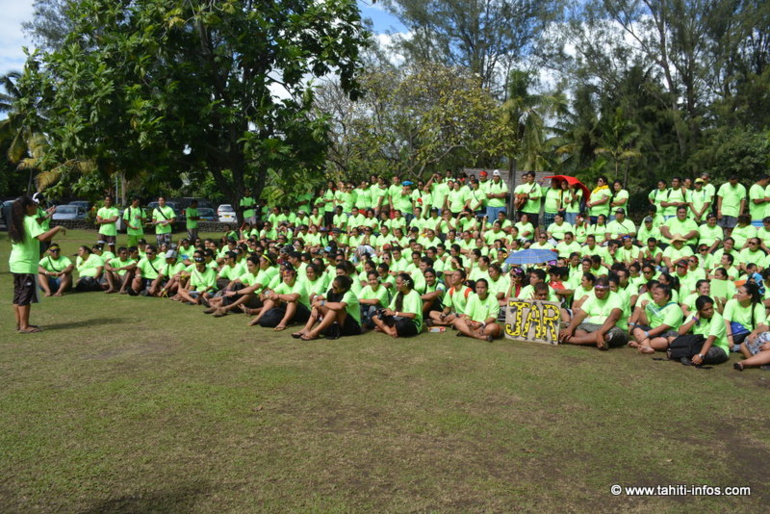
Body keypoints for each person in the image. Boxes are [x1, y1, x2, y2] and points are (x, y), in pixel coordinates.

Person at [8, 195, 67, 333]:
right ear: (28, 207)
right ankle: (24, 326)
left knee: (18, 294)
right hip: (26, 264)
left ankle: (20, 323)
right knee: (25, 296)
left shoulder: (17, 221)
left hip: (15, 263)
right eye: (34, 205)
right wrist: (58, 228)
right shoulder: (29, 220)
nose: (37, 207)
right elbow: (43, 237)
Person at [560, 277, 626, 350]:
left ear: (608, 289)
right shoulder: (592, 297)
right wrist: (569, 329)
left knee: (615, 333)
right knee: (576, 327)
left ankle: (572, 340)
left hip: (611, 327)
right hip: (592, 326)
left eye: (601, 290)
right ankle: (595, 340)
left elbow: (614, 317)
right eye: (596, 290)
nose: (598, 292)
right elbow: (580, 314)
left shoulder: (617, 298)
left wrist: (600, 333)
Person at [292, 275, 361, 341]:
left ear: (343, 289)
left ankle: (315, 332)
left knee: (334, 309)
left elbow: (340, 306)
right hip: (338, 323)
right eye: (332, 285)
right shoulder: (331, 291)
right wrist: (314, 308)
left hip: (352, 327)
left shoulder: (349, 294)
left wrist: (322, 303)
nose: (333, 288)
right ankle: (306, 329)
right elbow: (317, 298)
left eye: (335, 287)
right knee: (320, 306)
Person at [671, 295, 730, 366]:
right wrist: (694, 319)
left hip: (716, 347)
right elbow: (681, 332)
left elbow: (711, 339)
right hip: (697, 344)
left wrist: (701, 355)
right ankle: (685, 355)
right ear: (699, 310)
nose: (710, 311)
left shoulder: (718, 318)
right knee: (672, 333)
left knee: (710, 353)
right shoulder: (694, 314)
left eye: (711, 307)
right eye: (706, 309)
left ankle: (681, 354)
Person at [630, 283, 682, 354]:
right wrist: (642, 309)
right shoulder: (652, 304)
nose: (655, 296)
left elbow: (664, 327)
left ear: (667, 297)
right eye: (654, 294)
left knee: (663, 342)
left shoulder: (674, 308)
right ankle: (647, 346)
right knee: (637, 329)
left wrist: (646, 334)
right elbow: (645, 323)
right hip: (651, 329)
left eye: (658, 294)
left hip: (665, 333)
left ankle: (641, 345)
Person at [372, 273, 423, 338]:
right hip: (399, 319)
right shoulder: (398, 293)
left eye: (398, 283)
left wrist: (395, 313)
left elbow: (412, 315)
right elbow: (390, 308)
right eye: (396, 283)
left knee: (401, 325)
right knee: (375, 314)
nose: (396, 285)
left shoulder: (414, 295)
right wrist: (383, 311)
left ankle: (385, 329)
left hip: (411, 323)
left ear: (405, 284)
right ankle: (390, 332)